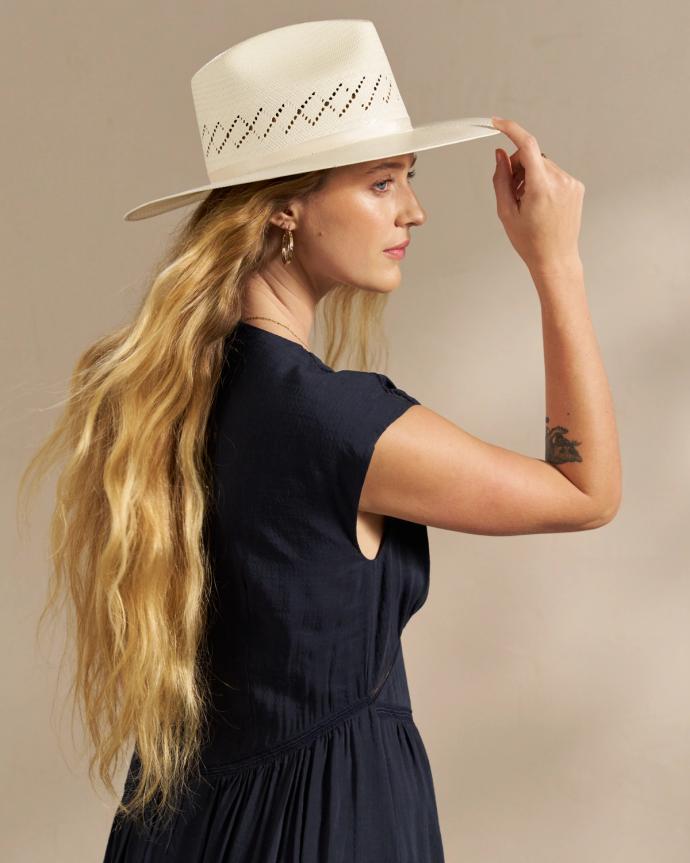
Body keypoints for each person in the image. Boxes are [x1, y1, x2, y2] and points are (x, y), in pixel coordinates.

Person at [18, 20, 621, 863]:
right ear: (284, 209)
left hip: (181, 829)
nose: (413, 208)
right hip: (329, 825)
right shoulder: (332, 420)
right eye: (380, 182)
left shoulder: (174, 397)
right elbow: (583, 490)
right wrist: (557, 264)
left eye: (405, 178)